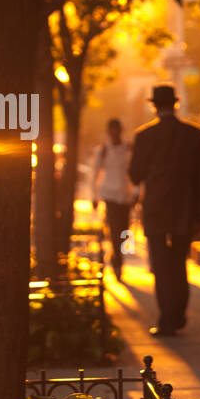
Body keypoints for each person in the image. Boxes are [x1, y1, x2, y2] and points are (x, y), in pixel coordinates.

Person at [128, 85, 200, 338]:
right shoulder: (194, 135)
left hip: (156, 209)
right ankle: (178, 314)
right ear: (175, 104)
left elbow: (134, 174)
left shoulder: (144, 136)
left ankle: (167, 319)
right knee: (178, 262)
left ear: (154, 105)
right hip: (183, 209)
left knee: (161, 265)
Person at [92, 118, 137, 282]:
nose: (115, 133)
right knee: (113, 228)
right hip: (109, 195)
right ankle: (117, 259)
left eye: (117, 130)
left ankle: (119, 256)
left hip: (126, 196)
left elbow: (137, 172)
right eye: (112, 130)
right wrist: (94, 196)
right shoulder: (102, 150)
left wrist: (137, 192)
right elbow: (95, 174)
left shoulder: (129, 149)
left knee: (125, 229)